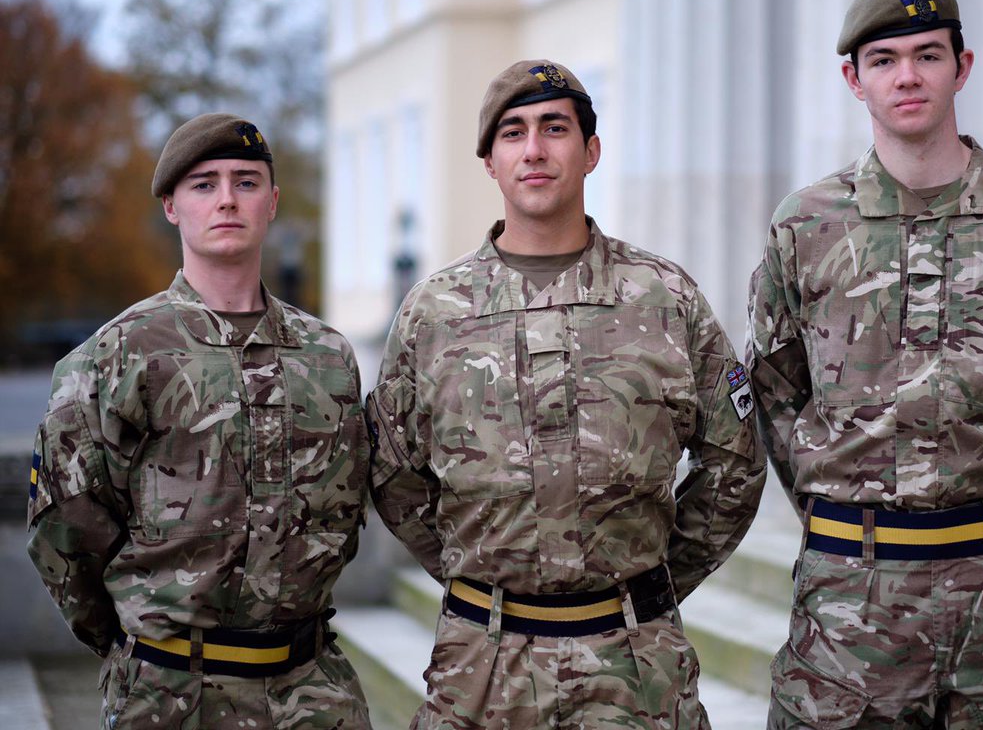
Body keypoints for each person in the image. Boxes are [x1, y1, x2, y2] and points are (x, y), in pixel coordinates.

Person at [367, 59, 764, 728]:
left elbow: (736, 461)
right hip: (481, 673)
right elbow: (394, 476)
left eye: (555, 128)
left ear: (591, 151)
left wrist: (650, 580)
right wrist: (482, 578)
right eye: (513, 133)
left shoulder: (663, 298)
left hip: (635, 667)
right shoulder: (435, 313)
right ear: (489, 160)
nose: (535, 149)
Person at [747, 0, 983, 728]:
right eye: (884, 60)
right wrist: (839, 519)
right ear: (854, 79)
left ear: (961, 68)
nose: (907, 76)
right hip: (848, 607)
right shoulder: (807, 226)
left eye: (928, 55)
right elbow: (775, 393)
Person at [27, 113, 372, 729]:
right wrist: (131, 642)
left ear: (272, 202)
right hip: (171, 697)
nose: (227, 200)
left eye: (245, 181)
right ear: (171, 206)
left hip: (312, 692)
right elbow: (66, 527)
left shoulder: (328, 357)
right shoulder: (118, 355)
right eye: (204, 184)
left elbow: (345, 512)